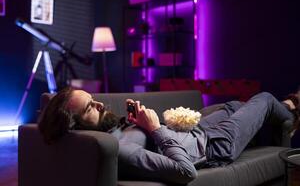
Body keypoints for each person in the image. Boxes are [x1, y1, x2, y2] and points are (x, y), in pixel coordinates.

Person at [38, 87, 299, 184]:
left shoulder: (107, 135)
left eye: (93, 99)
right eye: (89, 107)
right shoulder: (122, 151)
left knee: (233, 106)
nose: (98, 105)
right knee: (264, 99)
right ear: (77, 126)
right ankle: (292, 111)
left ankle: (283, 119)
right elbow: (186, 171)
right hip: (216, 145)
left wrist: (135, 123)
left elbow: (130, 136)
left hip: (199, 131)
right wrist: (153, 128)